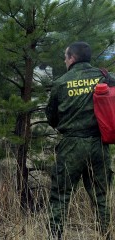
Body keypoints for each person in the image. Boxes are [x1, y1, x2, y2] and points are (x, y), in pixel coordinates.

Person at [45, 41, 113, 240]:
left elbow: (52, 118)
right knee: (101, 196)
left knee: (61, 196)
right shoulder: (105, 77)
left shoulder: (61, 83)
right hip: (99, 145)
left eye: (65, 57)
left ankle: (55, 236)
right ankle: (107, 235)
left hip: (72, 146)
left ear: (72, 58)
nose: (65, 61)